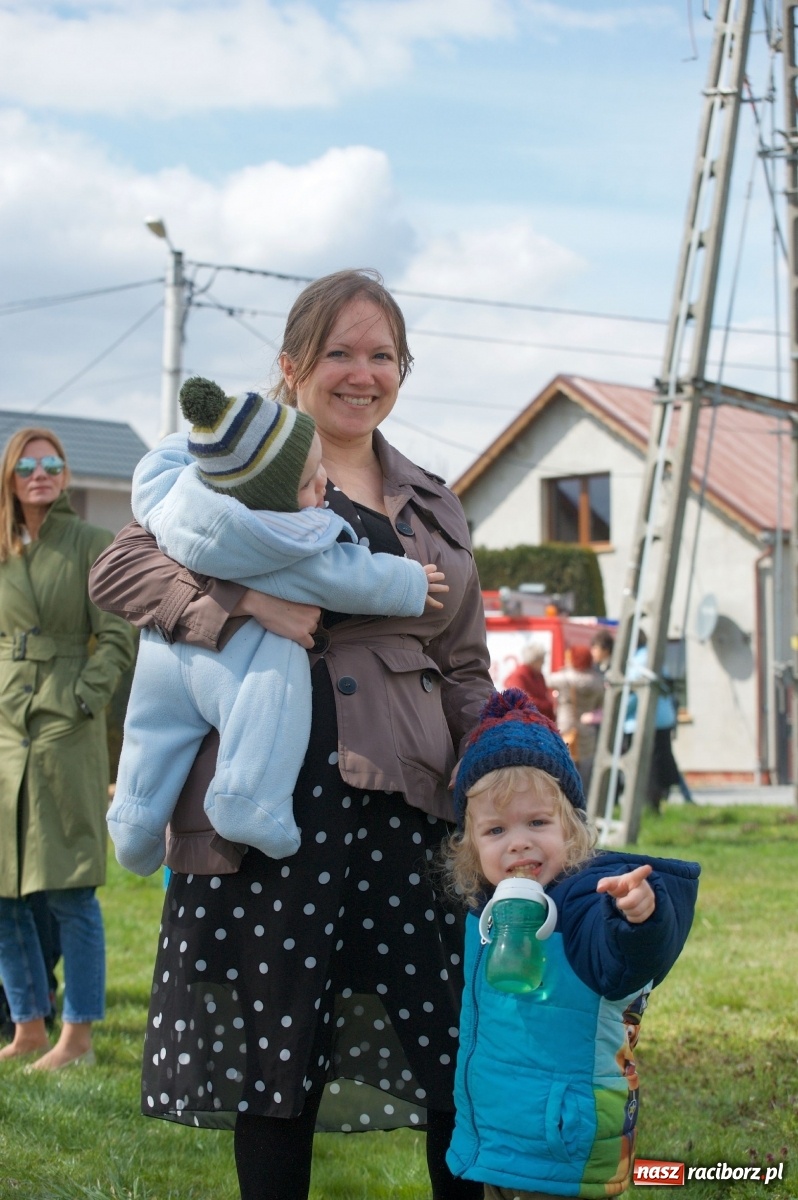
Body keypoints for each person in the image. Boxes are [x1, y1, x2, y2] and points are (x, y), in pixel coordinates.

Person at [88, 268, 493, 1200]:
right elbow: (118, 572)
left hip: (408, 804)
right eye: (339, 352)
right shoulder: (224, 465)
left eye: (383, 355)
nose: (363, 374)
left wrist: (511, 764)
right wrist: (239, 608)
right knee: (277, 1061)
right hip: (270, 804)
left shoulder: (434, 500)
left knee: (450, 1049)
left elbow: (465, 665)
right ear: (291, 364)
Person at [109, 375, 446, 874]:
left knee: (150, 732)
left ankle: (134, 819)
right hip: (232, 662)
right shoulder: (276, 535)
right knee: (270, 702)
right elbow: (342, 573)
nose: (320, 487)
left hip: (164, 655)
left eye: (318, 470)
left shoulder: (172, 499)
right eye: (308, 484)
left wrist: (200, 439)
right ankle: (247, 798)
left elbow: (161, 463)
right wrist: (409, 582)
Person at [444, 688, 700, 1199]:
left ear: (572, 828)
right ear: (471, 848)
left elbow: (623, 964)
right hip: (496, 1141)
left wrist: (637, 916)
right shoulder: (484, 910)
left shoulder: (584, 903)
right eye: (496, 830)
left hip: (564, 1147)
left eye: (538, 822)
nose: (519, 841)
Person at [0, 428, 135, 1069]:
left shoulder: (89, 542)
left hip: (64, 726)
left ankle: (77, 1036)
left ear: (64, 474)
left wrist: (83, 698)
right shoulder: (3, 547)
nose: (41, 473)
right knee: (3, 889)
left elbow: (119, 634)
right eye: (28, 465)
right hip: (5, 726)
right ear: (10, 475)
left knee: (70, 888)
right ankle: (28, 1025)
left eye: (52, 463)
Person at [623, 632, 694, 809]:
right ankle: (675, 798)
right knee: (664, 762)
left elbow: (635, 693)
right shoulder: (653, 657)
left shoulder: (638, 662)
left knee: (647, 768)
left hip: (643, 721)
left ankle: (650, 805)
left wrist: (619, 711)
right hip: (663, 718)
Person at [548, 644, 604, 793]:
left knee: (565, 767)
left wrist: (565, 669)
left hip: (566, 724)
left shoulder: (565, 678)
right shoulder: (597, 680)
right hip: (587, 728)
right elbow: (601, 703)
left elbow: (548, 680)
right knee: (585, 769)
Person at [502, 643, 555, 721]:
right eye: (542, 660)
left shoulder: (539, 675)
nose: (544, 662)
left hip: (539, 719)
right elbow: (520, 700)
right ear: (534, 660)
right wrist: (547, 706)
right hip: (524, 720)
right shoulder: (519, 675)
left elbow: (545, 695)